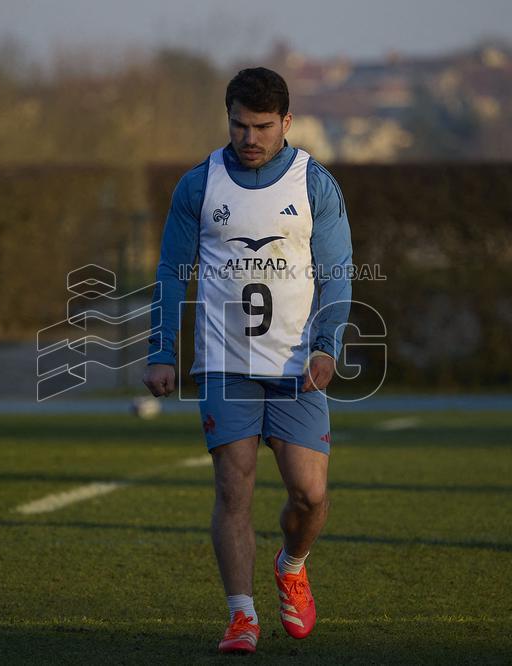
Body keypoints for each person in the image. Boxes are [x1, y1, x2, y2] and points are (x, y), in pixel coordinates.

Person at [143, 67, 352, 654]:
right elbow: (170, 275)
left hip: (297, 368)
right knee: (233, 488)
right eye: (239, 125)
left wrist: (326, 345)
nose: (249, 138)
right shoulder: (198, 185)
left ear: (287, 121)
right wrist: (161, 351)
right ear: (227, 118)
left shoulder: (315, 186)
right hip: (223, 363)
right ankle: (241, 616)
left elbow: (337, 275)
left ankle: (292, 564)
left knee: (309, 495)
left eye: (262, 126)